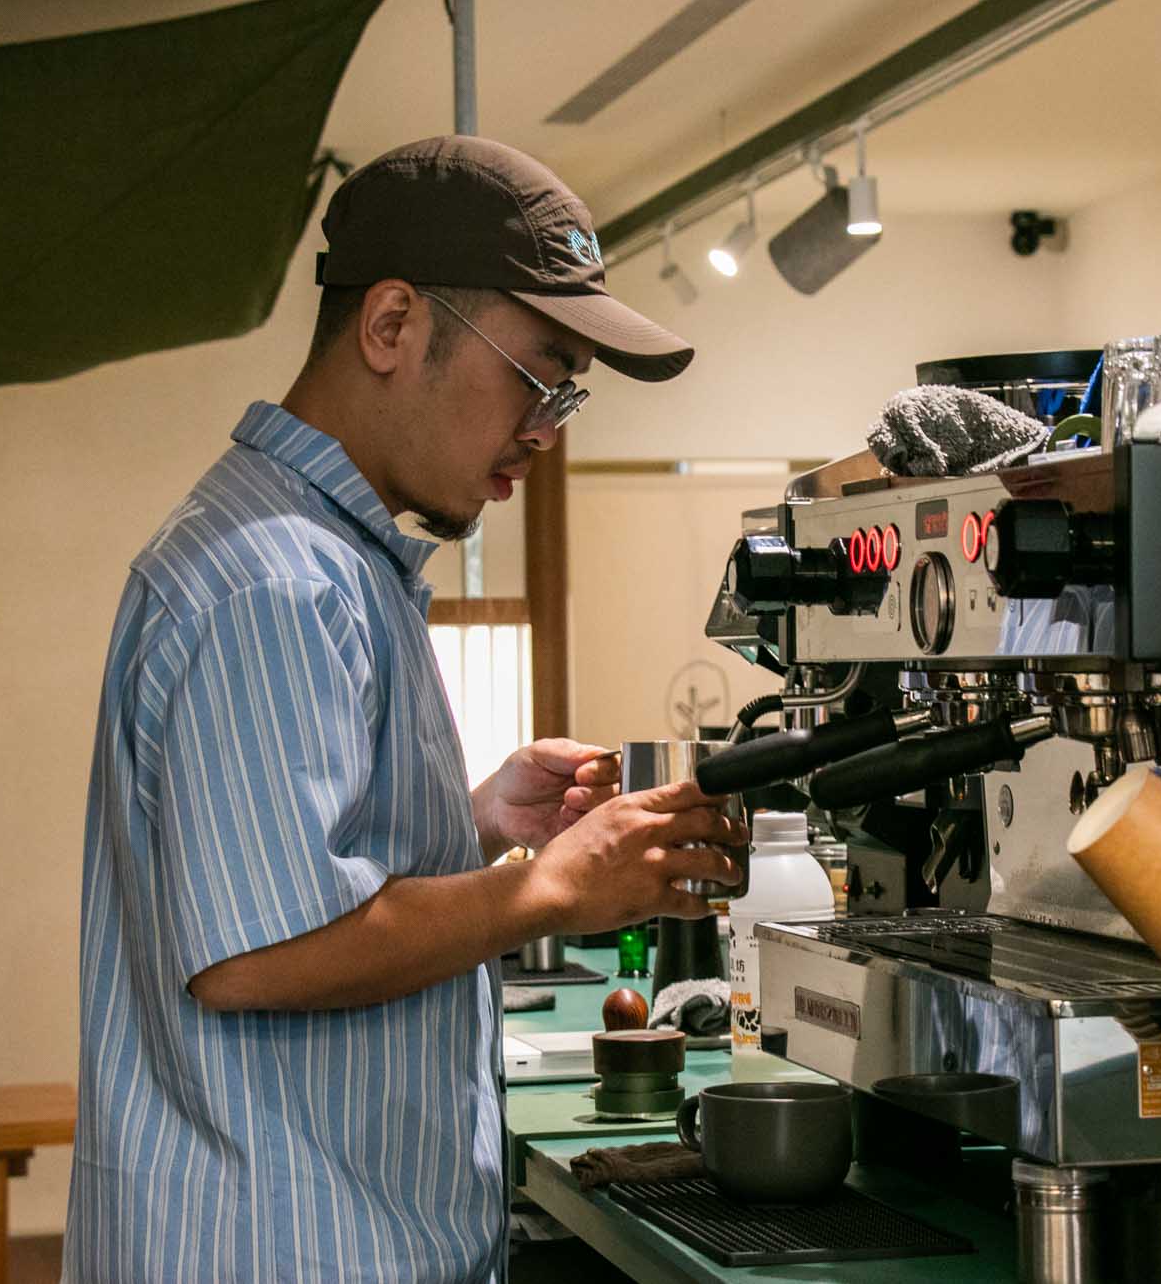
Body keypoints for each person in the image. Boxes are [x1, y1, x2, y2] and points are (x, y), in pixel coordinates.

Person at [63, 136, 744, 1284]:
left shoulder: (329, 555)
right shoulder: (281, 577)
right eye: (538, 375)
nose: (548, 425)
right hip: (281, 1245)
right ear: (390, 327)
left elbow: (282, 868)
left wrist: (471, 821)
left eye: (569, 390)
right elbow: (260, 955)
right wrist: (552, 884)